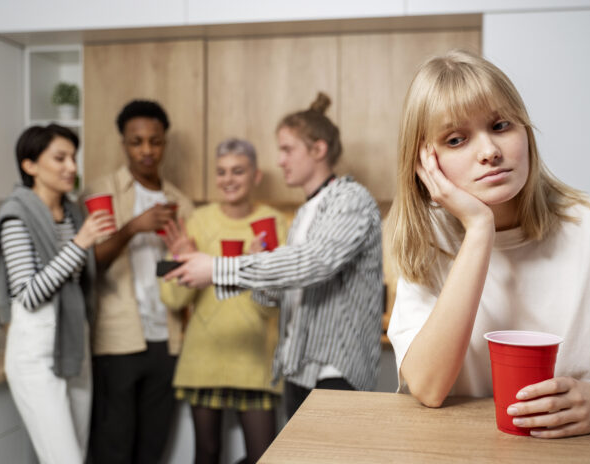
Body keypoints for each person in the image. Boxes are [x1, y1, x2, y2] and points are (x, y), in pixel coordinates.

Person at [385, 49, 590, 438]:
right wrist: (478, 229)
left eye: (501, 125)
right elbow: (429, 387)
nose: (489, 151)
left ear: (525, 131)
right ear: (425, 163)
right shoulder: (428, 244)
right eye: (456, 139)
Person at [165, 93, 384, 420]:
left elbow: (315, 263)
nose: (280, 160)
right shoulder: (305, 212)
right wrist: (264, 278)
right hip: (299, 368)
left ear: (318, 149)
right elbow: (284, 293)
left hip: (336, 369)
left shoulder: (348, 199)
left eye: (287, 149)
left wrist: (218, 268)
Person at [0, 124, 114, 463]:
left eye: (73, 157)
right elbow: (28, 293)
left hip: (74, 345)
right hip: (36, 354)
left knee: (77, 455)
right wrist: (80, 244)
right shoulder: (16, 217)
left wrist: (87, 242)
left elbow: (74, 278)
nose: (71, 167)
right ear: (29, 165)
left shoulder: (73, 214)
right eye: (60, 158)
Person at [159, 137, 288, 464]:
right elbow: (173, 299)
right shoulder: (199, 221)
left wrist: (257, 270)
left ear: (256, 175)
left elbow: (275, 303)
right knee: (207, 453)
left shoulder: (275, 223)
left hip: (256, 359)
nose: (228, 179)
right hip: (204, 358)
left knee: (265, 456)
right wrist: (182, 260)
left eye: (238, 171)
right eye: (221, 172)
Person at [83, 100, 194, 463]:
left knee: (152, 448)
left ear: (165, 143)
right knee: (113, 447)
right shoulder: (103, 193)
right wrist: (133, 227)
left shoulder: (180, 202)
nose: (147, 150)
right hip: (117, 341)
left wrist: (182, 254)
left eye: (155, 141)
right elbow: (88, 266)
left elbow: (183, 278)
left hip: (167, 339)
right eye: (137, 141)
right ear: (124, 144)